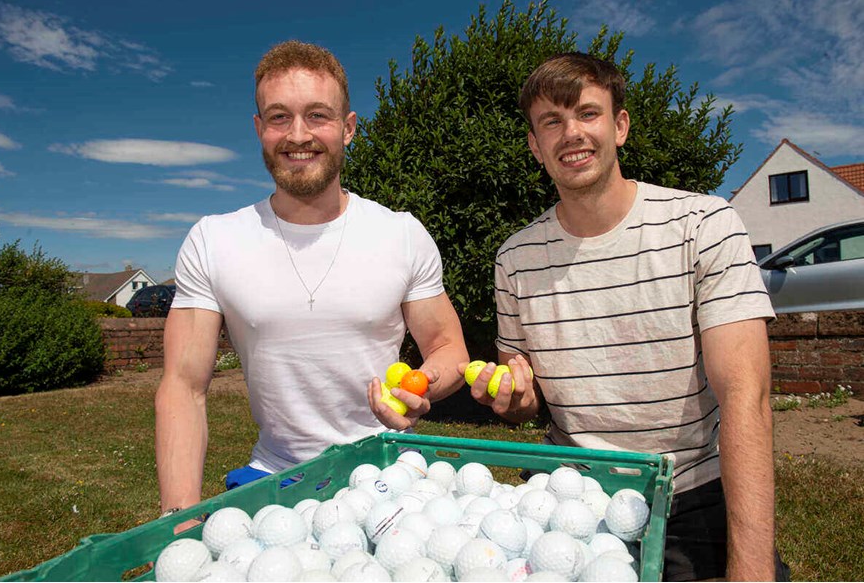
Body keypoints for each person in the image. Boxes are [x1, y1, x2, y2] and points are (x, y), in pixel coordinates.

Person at [463, 52, 786, 581]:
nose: (571, 133)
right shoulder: (514, 258)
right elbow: (525, 402)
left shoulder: (703, 225)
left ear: (620, 126)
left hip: (689, 495)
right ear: (534, 145)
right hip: (568, 495)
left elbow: (746, 398)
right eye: (551, 121)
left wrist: (750, 572)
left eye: (588, 114)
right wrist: (516, 397)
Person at [155, 40, 467, 515]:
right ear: (259, 129)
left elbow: (448, 347)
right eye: (279, 117)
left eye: (317, 115)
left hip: (386, 470)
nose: (298, 135)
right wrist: (176, 520)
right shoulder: (213, 239)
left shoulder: (401, 233)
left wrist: (422, 383)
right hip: (275, 475)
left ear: (348, 128)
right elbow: (183, 384)